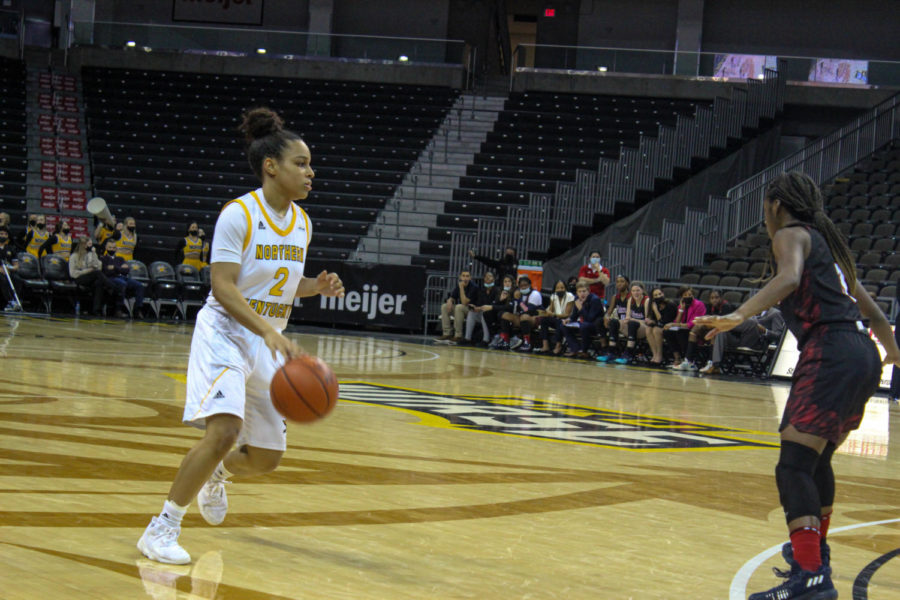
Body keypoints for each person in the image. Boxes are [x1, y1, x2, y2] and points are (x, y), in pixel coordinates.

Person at [137, 107, 344, 565]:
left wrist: (316, 286)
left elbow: (284, 286)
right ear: (272, 166)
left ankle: (216, 475)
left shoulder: (303, 223)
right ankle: (161, 529)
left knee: (267, 457)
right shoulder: (239, 214)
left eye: (310, 164)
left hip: (265, 339)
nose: (311, 172)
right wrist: (268, 331)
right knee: (225, 428)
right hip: (226, 332)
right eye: (301, 163)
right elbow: (224, 286)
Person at [695, 172, 900, 600]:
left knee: (792, 466)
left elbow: (788, 278)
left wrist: (740, 314)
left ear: (774, 206)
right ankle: (814, 561)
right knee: (812, 463)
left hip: (831, 351)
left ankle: (810, 575)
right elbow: (876, 315)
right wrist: (894, 354)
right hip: (859, 353)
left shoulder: (790, 233)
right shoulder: (831, 251)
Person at [699, 307, 785, 375]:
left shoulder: (775, 313)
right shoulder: (752, 311)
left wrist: (764, 330)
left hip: (757, 342)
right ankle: (715, 365)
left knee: (752, 323)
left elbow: (778, 336)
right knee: (721, 331)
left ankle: (726, 323)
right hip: (741, 338)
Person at [682, 289, 734, 369]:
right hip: (712, 330)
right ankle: (689, 361)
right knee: (695, 330)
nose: (714, 300)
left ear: (721, 298)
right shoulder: (709, 306)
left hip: (727, 335)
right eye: (712, 298)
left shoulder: (726, 306)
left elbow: (723, 325)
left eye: (716, 297)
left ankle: (711, 363)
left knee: (715, 332)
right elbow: (706, 320)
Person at [69, 236, 119, 316]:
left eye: (91, 245)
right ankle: (112, 287)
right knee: (97, 274)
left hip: (91, 277)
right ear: (83, 245)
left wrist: (93, 254)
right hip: (78, 278)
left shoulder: (90, 254)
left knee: (98, 282)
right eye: (89, 244)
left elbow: (99, 266)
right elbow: (73, 273)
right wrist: (87, 271)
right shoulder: (74, 256)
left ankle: (96, 310)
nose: (91, 246)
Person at [99, 238, 146, 319]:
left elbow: (126, 270)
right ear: (106, 248)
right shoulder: (103, 259)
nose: (112, 249)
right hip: (110, 279)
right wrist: (120, 268)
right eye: (110, 247)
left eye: (114, 248)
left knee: (139, 285)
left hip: (122, 277)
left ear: (116, 249)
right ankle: (118, 309)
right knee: (122, 284)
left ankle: (137, 310)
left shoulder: (120, 259)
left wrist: (114, 267)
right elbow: (106, 271)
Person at [663, 286, 706, 370]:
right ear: (681, 296)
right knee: (667, 332)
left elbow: (692, 323)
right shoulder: (681, 306)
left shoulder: (699, 305)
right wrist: (681, 310)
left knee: (681, 332)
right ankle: (677, 358)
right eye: (685, 295)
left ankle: (690, 361)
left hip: (697, 332)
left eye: (689, 294)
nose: (687, 297)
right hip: (684, 330)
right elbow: (677, 322)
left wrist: (675, 325)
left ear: (693, 295)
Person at [615, 282, 657, 365]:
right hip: (633, 327)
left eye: (638, 290)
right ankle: (612, 351)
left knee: (632, 323)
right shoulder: (630, 299)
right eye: (633, 291)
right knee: (614, 322)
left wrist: (632, 319)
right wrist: (626, 320)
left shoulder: (646, 300)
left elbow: (646, 320)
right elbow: (627, 317)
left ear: (642, 291)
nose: (635, 293)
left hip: (644, 328)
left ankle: (629, 353)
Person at [561, 281, 604, 358]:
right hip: (584, 324)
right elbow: (574, 315)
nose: (582, 294)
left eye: (584, 291)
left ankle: (584, 351)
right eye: (579, 291)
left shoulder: (595, 300)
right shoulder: (577, 299)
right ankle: (575, 349)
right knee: (563, 325)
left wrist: (581, 308)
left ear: (589, 291)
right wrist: (569, 320)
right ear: (577, 292)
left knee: (584, 325)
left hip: (596, 326)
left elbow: (590, 319)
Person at [435, 270, 477, 344]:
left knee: (459, 307)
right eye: (463, 276)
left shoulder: (473, 287)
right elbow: (452, 297)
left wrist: (461, 288)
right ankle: (447, 334)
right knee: (444, 306)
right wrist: (449, 301)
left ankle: (458, 335)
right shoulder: (459, 286)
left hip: (472, 311)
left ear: (470, 278)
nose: (465, 278)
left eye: (467, 276)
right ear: (460, 277)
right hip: (461, 310)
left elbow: (464, 302)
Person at [596, 275, 630, 362]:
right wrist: (606, 317)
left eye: (622, 281)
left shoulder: (631, 296)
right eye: (617, 282)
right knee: (599, 321)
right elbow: (609, 311)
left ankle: (612, 352)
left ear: (627, 283)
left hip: (628, 323)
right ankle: (605, 349)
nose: (619, 284)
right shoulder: (615, 297)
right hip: (618, 322)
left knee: (614, 323)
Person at [535, 279, 574, 355]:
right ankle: (545, 345)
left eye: (562, 288)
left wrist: (554, 315)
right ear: (555, 289)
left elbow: (567, 314)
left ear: (566, 288)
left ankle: (558, 346)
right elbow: (551, 310)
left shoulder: (570, 296)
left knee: (560, 322)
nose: (560, 289)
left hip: (567, 320)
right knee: (544, 320)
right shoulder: (553, 296)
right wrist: (546, 313)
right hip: (556, 318)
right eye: (558, 288)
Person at [464, 271, 500, 346]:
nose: (488, 278)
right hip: (482, 311)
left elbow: (494, 304)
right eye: (486, 277)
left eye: (490, 276)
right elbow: (479, 303)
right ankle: (467, 338)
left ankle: (486, 339)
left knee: (484, 313)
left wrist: (480, 308)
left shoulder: (497, 290)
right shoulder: (481, 290)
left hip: (493, 314)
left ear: (493, 279)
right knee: (471, 313)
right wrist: (474, 307)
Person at [645, 288, 677, 365]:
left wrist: (655, 310)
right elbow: (656, 320)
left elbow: (663, 321)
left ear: (663, 294)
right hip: (661, 325)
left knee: (656, 330)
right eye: (656, 295)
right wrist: (651, 321)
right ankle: (654, 354)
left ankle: (659, 355)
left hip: (671, 326)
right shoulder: (654, 305)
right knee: (648, 329)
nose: (658, 296)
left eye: (660, 294)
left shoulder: (670, 305)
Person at [0, 227, 22, 311]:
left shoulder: (10, 249)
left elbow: (16, 265)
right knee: (3, 279)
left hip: (8, 270)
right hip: (1, 271)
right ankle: (9, 302)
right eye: (1, 234)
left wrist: (11, 269)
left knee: (17, 279)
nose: (3, 236)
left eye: (5, 234)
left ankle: (16, 300)